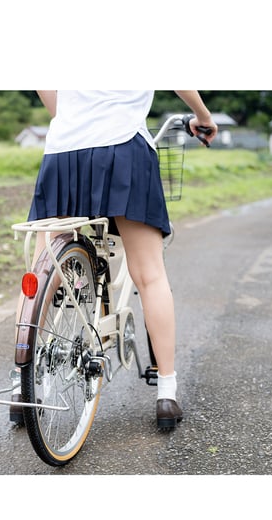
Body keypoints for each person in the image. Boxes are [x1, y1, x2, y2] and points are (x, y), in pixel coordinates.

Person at [13, 91, 217, 429]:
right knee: (150, 275)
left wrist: (70, 116)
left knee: (42, 268)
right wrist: (203, 117)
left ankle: (22, 385)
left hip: (62, 149)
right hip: (122, 146)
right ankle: (166, 390)